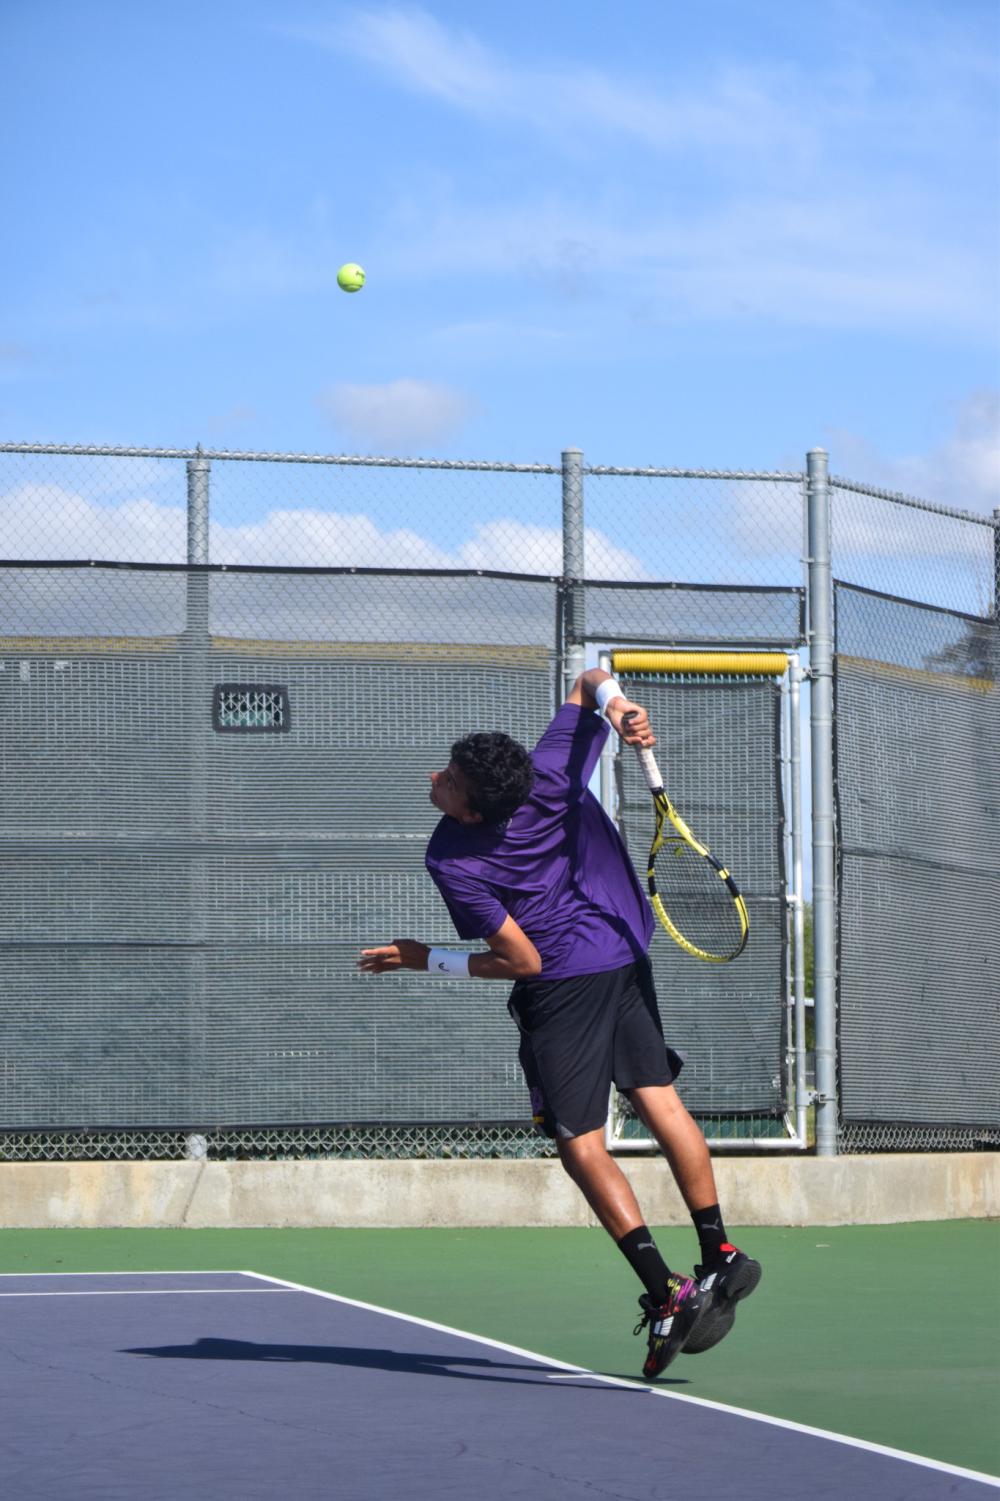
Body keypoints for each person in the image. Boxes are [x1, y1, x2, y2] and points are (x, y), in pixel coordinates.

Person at [359, 666, 761, 1377]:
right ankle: (720, 1252)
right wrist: (620, 704)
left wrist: (425, 959)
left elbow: (521, 960)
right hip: (623, 949)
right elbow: (589, 679)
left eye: (449, 780)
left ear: (473, 811)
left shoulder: (452, 855)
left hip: (567, 983)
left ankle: (668, 1293)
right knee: (658, 1098)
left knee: (581, 1142)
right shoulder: (548, 770)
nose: (436, 777)